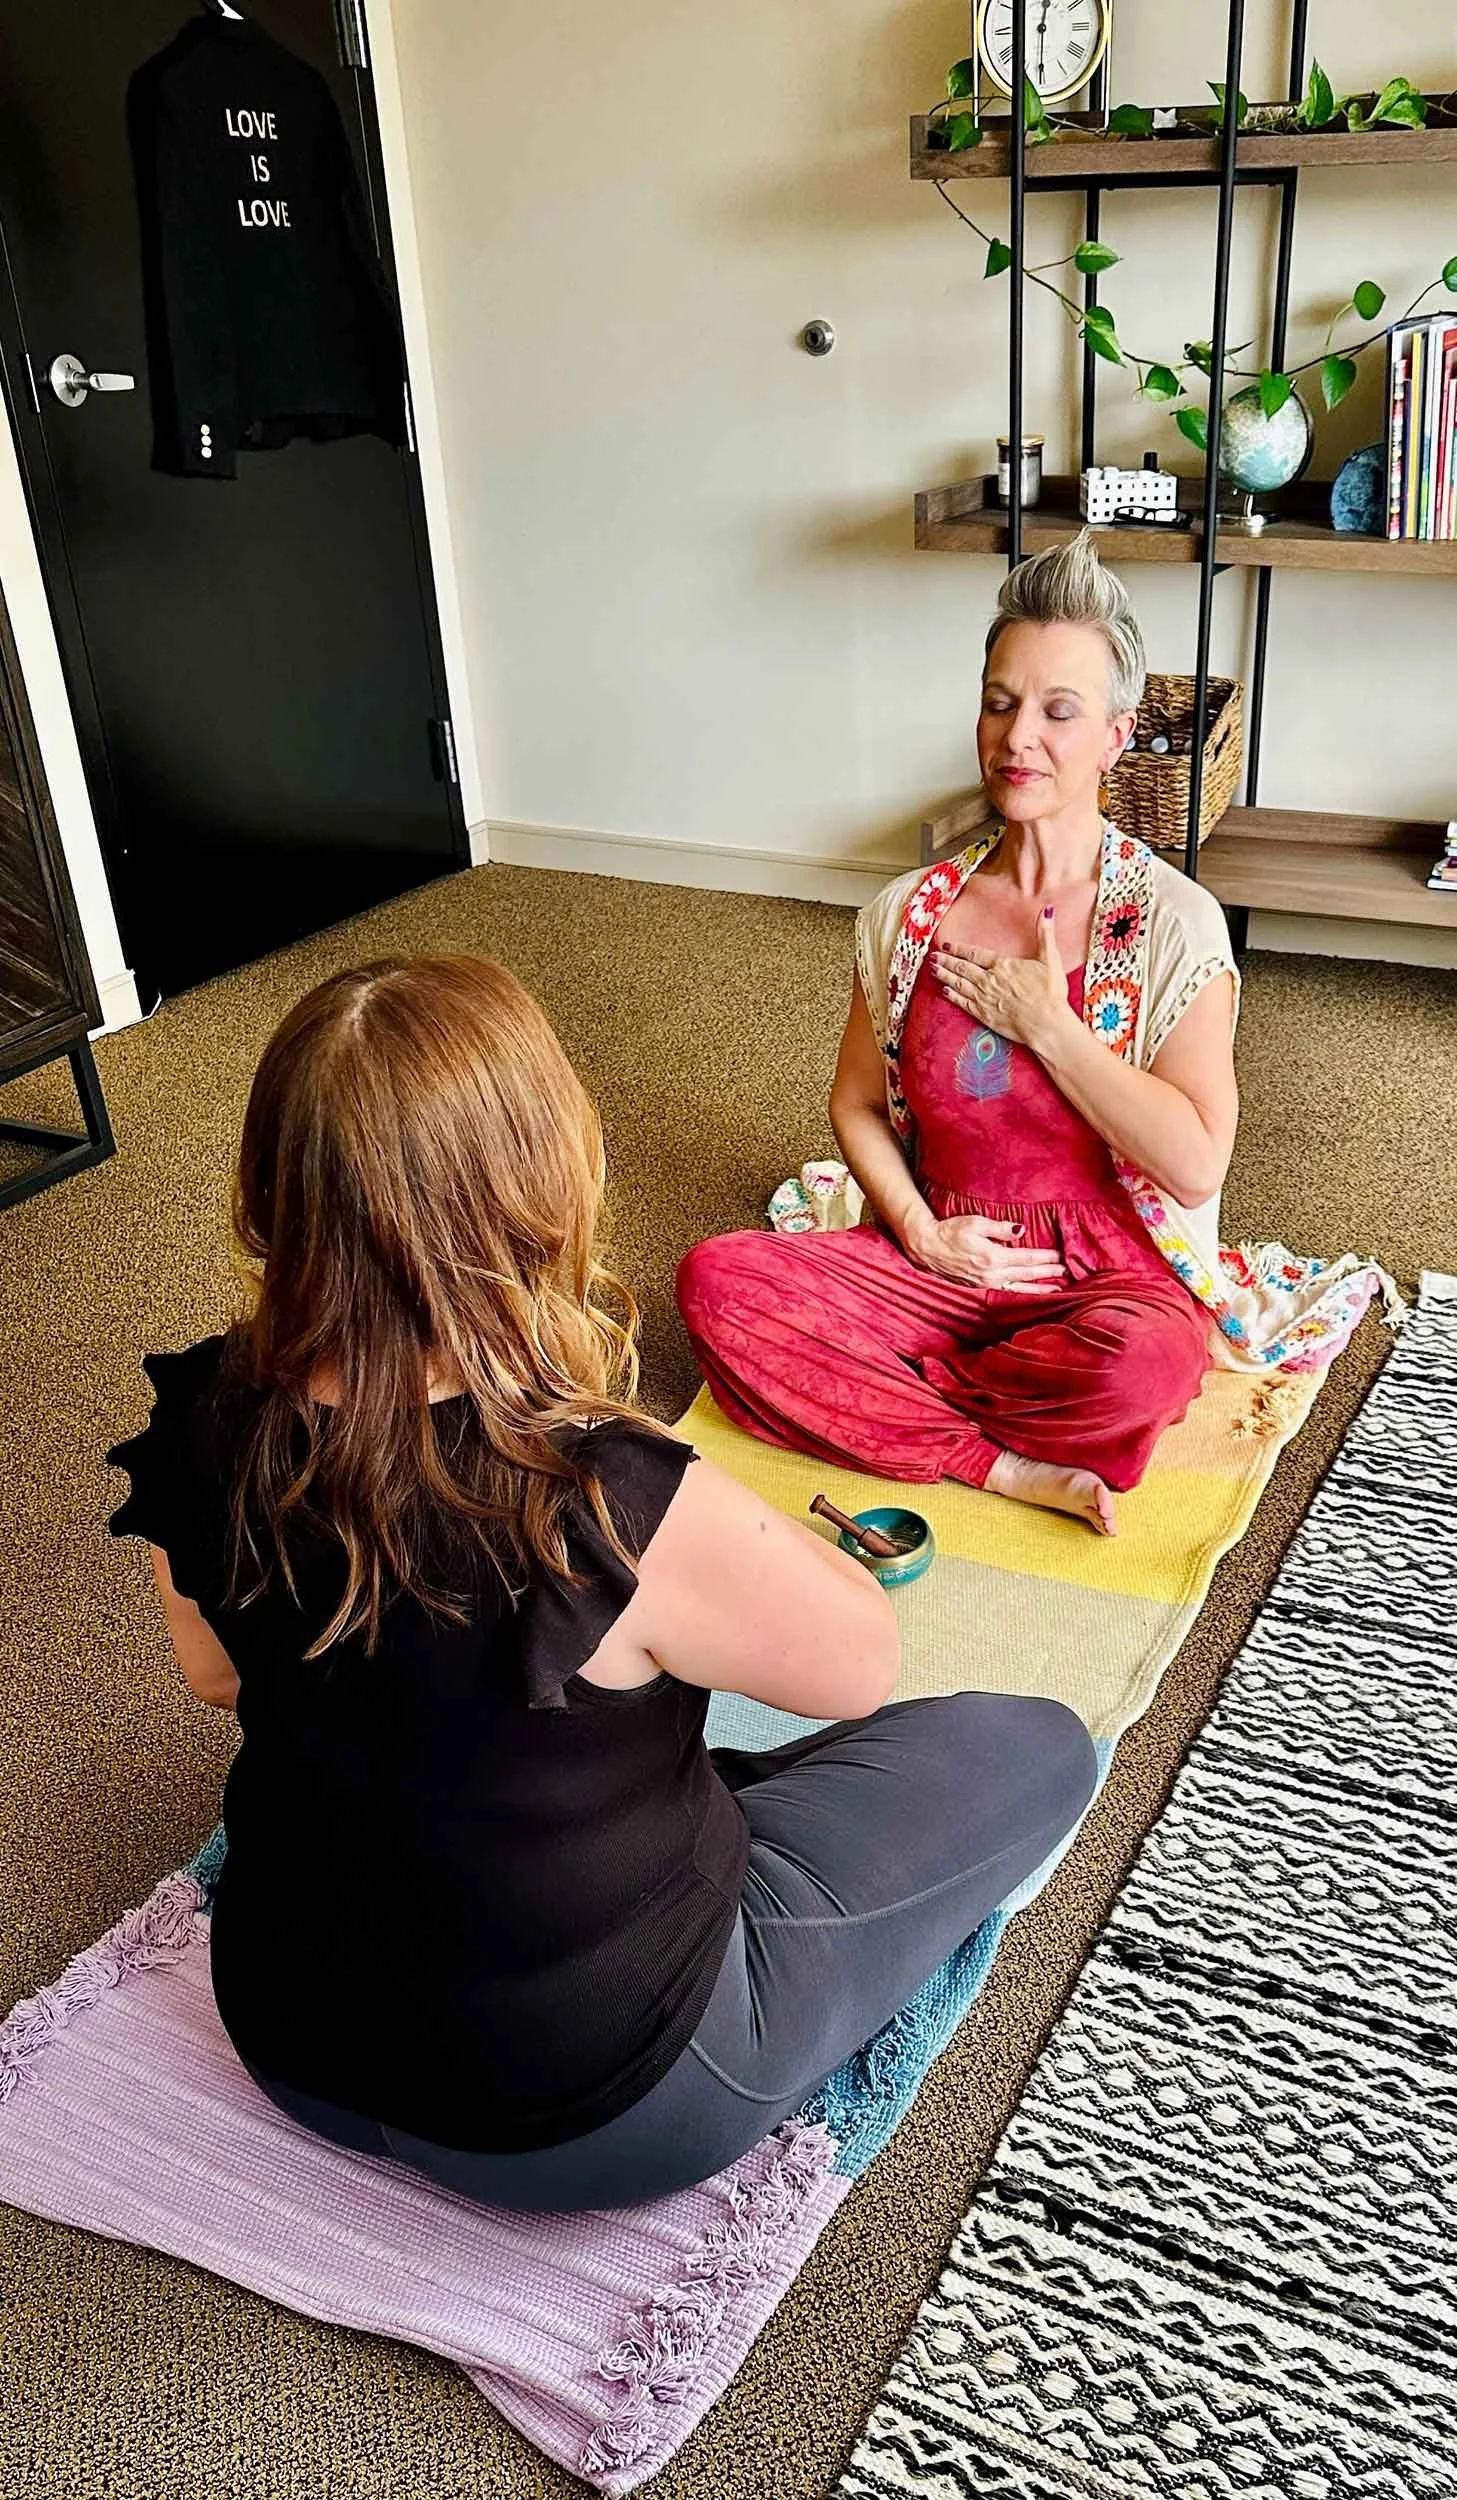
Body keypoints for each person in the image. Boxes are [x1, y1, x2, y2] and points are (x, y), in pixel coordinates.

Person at [108, 955, 1097, 2212]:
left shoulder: (202, 1416)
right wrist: (683, 1493)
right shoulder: (606, 1485)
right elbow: (858, 1667)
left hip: (291, 2038)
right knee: (1037, 1745)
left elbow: (211, 1671)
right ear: (538, 1184)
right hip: (605, 2105)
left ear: (273, 1194)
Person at [678, 533, 1395, 1537]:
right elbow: (852, 1103)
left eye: (1058, 712)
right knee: (716, 1283)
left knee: (1142, 1370)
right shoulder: (907, 912)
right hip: (939, 1252)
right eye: (999, 701)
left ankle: (884, 1392)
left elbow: (1192, 1164)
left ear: (1112, 736)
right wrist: (921, 1232)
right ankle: (996, 1461)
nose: (1019, 738)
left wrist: (1049, 1028)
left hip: (1103, 1274)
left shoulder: (1169, 923)